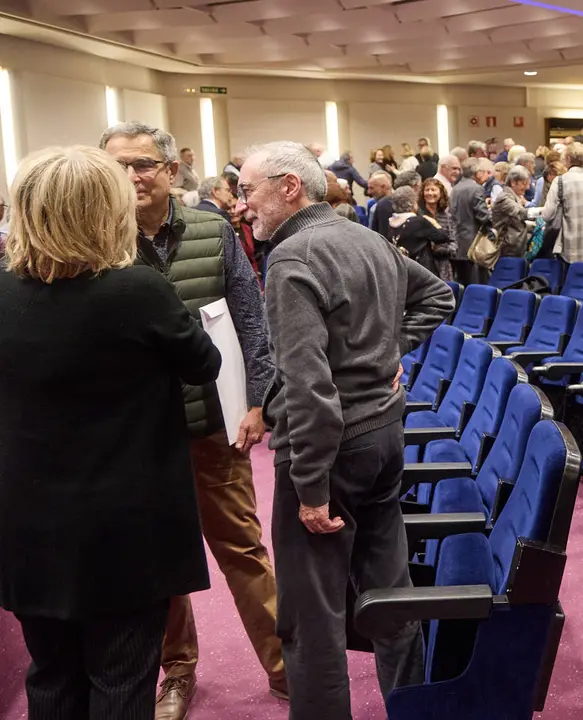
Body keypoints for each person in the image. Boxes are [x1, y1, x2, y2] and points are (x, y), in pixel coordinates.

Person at [0, 145, 221, 720]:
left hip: (26, 524)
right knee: (121, 677)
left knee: (49, 676)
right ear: (108, 211)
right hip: (124, 526)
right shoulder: (138, 291)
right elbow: (204, 365)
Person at [237, 140, 454, 720]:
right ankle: (412, 708)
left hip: (330, 452)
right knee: (391, 595)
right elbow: (440, 295)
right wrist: (390, 352)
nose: (241, 204)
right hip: (383, 436)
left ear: (289, 187)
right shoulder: (368, 238)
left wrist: (309, 488)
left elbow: (308, 389)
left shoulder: (292, 258)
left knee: (312, 618)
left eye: (247, 189)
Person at [99, 120, 283, 719]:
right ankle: (176, 671)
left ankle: (286, 667)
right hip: (136, 440)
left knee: (243, 550)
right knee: (160, 564)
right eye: (119, 165)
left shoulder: (213, 231)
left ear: (171, 170)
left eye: (143, 164)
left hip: (213, 426)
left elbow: (251, 321)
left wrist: (257, 400)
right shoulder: (98, 240)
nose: (132, 176)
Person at [542, 143, 583, 263]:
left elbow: (547, 214)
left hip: (569, 247)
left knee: (567, 280)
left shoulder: (560, 181)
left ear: (568, 159)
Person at [449, 157, 493, 284]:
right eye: (484, 171)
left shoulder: (455, 188)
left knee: (462, 283)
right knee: (476, 284)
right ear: (477, 172)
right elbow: (483, 216)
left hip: (458, 243)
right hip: (473, 245)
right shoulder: (476, 188)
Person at [492, 165, 534, 260]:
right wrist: (542, 211)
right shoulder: (505, 198)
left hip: (514, 249)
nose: (527, 187)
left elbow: (515, 222)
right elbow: (520, 213)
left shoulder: (515, 197)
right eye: (524, 183)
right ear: (513, 182)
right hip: (507, 251)